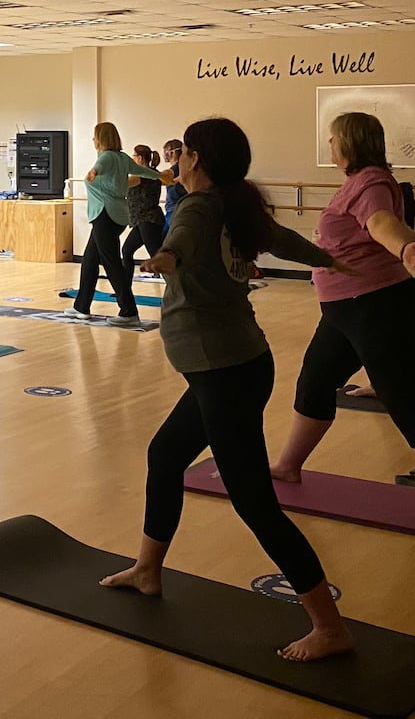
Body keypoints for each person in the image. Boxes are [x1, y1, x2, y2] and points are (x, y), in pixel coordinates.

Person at [101, 118, 352, 662]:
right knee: (166, 455)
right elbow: (280, 240)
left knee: (254, 502)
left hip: (224, 371)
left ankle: (329, 627)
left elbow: (184, 239)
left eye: (184, 151)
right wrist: (329, 258)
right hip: (236, 364)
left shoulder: (197, 207)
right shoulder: (235, 206)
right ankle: (147, 569)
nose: (179, 159)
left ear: (196, 159)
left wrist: (166, 258)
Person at [270, 113, 415, 526]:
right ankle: (288, 466)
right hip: (345, 307)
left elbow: (382, 224)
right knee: (315, 381)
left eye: (332, 140)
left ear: (347, 143)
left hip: (376, 305)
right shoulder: (362, 181)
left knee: (404, 399)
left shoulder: (370, 183)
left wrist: (405, 250)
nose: (329, 147)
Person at [63, 122, 166, 327]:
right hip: (115, 216)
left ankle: (128, 310)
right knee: (90, 261)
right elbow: (143, 171)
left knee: (111, 263)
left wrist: (92, 173)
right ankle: (81, 306)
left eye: (94, 137)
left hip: (105, 216)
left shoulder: (107, 157)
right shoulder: (122, 158)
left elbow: (99, 168)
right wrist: (162, 176)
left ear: (101, 138)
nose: (92, 140)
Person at [121, 144, 167, 277]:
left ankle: (174, 288)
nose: (132, 159)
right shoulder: (154, 174)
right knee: (127, 251)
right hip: (142, 221)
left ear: (140, 158)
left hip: (149, 221)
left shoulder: (141, 176)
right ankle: (125, 289)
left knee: (157, 256)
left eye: (133, 156)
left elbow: (120, 184)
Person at [161, 138, 187, 229]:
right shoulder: (183, 168)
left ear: (172, 153)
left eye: (166, 151)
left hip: (174, 210)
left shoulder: (174, 170)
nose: (165, 154)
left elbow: (160, 180)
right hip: (177, 209)